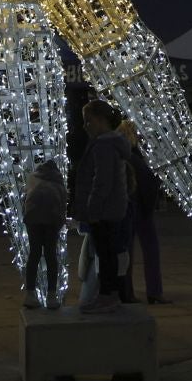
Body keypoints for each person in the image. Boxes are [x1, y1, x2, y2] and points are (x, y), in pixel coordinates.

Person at [75, 101, 131, 315]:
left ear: (99, 120)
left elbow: (102, 181)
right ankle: (109, 294)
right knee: (108, 252)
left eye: (87, 121)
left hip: (104, 210)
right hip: (113, 207)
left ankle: (107, 295)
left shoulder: (103, 145)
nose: (85, 126)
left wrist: (93, 208)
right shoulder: (114, 143)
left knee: (105, 253)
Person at [118, 120, 167, 304]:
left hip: (129, 206)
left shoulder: (122, 155)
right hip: (140, 206)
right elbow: (148, 181)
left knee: (127, 251)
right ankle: (153, 291)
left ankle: (127, 291)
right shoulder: (137, 156)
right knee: (149, 248)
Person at [22, 160, 67, 309]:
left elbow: (26, 200)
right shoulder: (58, 181)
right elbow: (62, 205)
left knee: (34, 254)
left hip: (33, 219)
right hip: (51, 220)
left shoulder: (33, 178)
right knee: (50, 255)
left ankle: (30, 293)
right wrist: (59, 224)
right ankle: (51, 295)